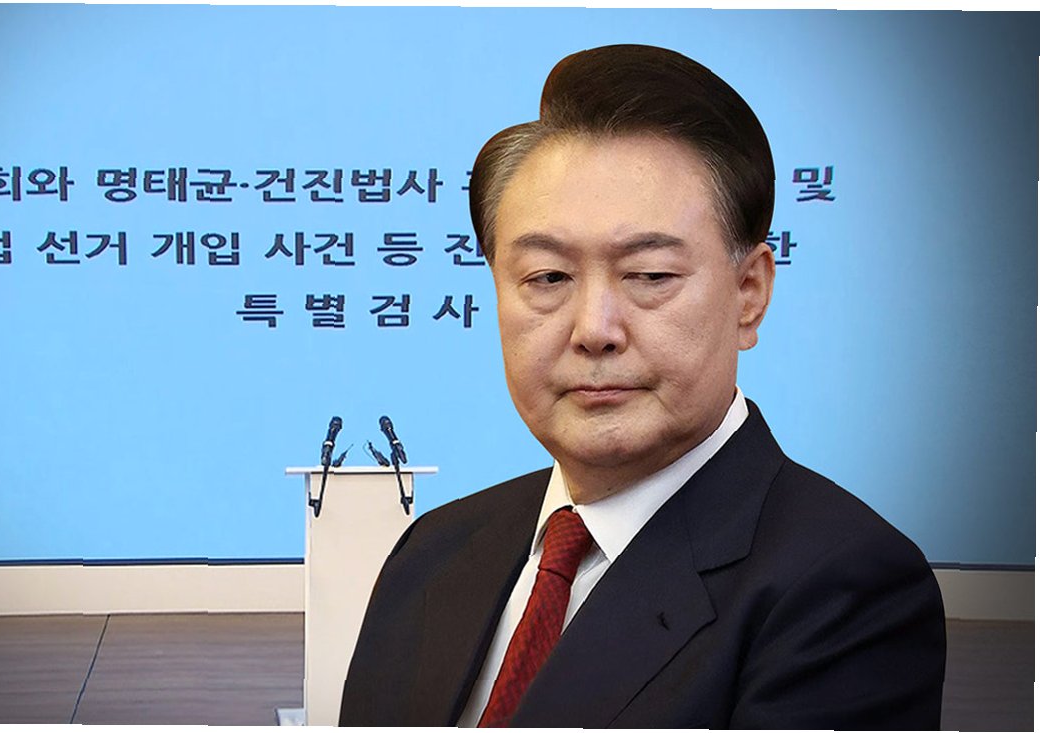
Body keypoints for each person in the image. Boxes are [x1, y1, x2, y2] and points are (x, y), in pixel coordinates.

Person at [338, 44, 946, 729]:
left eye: (650, 275)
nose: (593, 329)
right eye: (547, 277)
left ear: (749, 293)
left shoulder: (844, 588)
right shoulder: (434, 550)